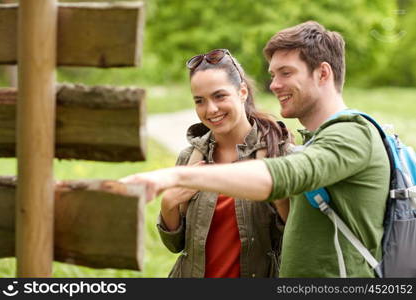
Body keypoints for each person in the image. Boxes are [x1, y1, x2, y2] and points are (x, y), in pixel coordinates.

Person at [121, 21, 390, 278]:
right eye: (273, 75)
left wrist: (175, 176)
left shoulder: (347, 135)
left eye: (285, 73)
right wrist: (170, 201)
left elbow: (285, 176)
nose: (273, 85)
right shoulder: (195, 155)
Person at [156, 49, 292, 278]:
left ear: (242, 92)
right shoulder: (190, 158)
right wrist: (168, 204)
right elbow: (176, 245)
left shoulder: (278, 156)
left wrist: (278, 194)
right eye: (200, 101)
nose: (210, 109)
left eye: (219, 96)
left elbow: (295, 242)